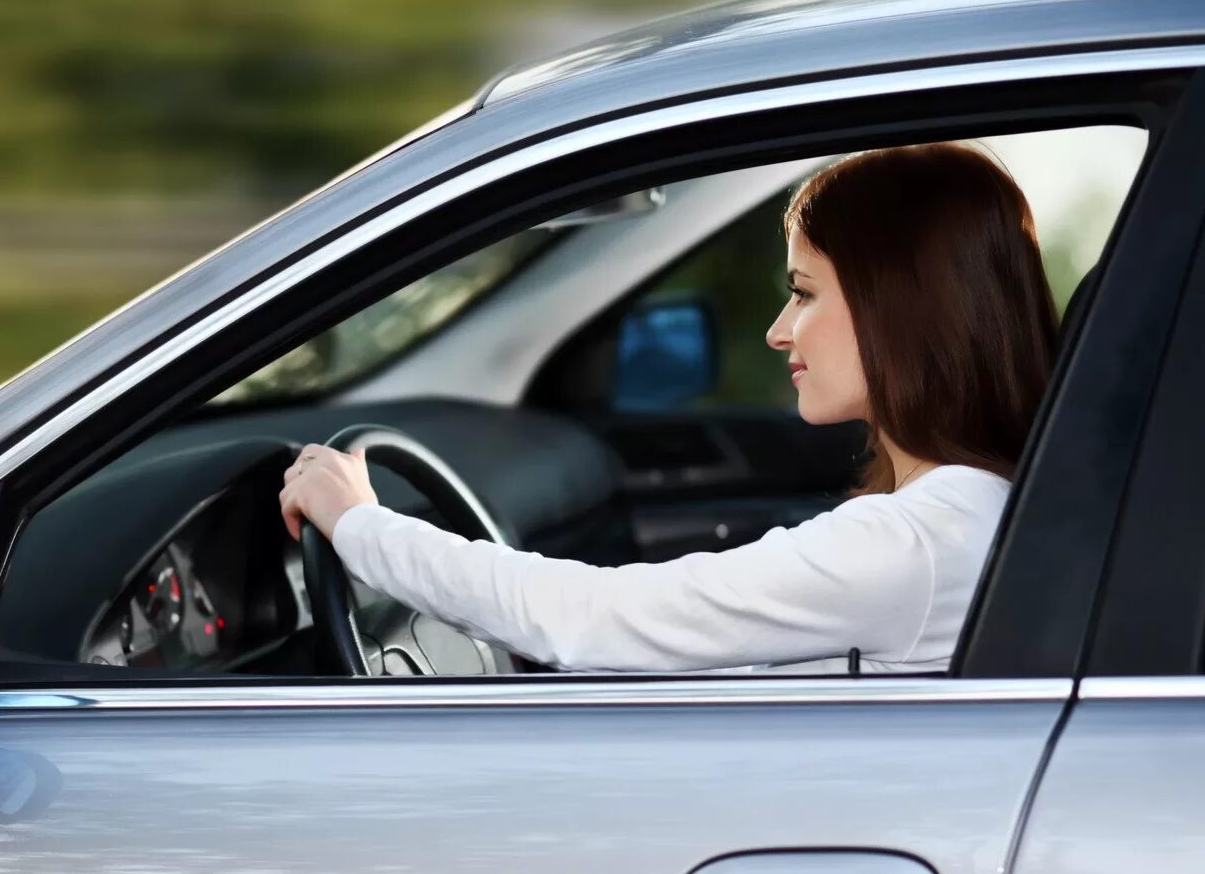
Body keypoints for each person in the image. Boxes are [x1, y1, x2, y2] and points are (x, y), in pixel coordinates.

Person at [278, 143, 1058, 674]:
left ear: (900, 309)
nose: (778, 330)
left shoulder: (913, 543)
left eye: (803, 293)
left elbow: (592, 619)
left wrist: (359, 526)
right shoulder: (974, 510)